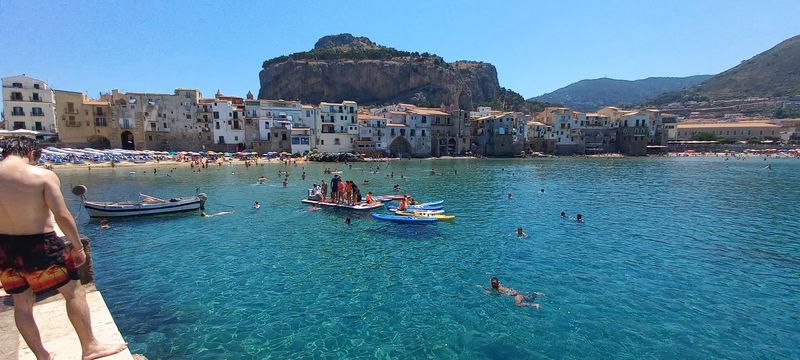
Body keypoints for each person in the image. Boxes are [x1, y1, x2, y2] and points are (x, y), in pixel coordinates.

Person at [0, 137, 128, 360]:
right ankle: (89, 347)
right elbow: (61, 215)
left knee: (21, 303)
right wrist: (77, 246)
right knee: (74, 292)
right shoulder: (42, 176)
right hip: (40, 244)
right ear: (30, 153)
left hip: (4, 247)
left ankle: (41, 355)